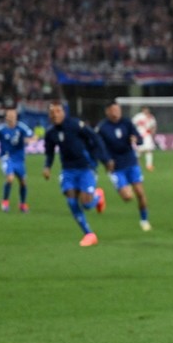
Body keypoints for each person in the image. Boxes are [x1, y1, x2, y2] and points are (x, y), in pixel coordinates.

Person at [43, 101, 112, 246]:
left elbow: (95, 138)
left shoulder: (75, 125)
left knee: (86, 203)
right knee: (71, 198)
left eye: (57, 111)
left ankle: (98, 196)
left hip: (85, 167)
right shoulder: (51, 133)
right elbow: (49, 152)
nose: (54, 115)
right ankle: (89, 233)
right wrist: (47, 167)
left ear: (63, 112)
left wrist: (105, 159)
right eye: (52, 112)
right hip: (68, 170)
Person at [96, 102, 152, 231]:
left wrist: (136, 139)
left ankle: (144, 221)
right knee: (127, 197)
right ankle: (99, 197)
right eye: (113, 110)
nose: (116, 113)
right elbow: (98, 149)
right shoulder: (102, 128)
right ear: (107, 112)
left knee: (140, 193)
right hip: (115, 167)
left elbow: (139, 139)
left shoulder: (127, 123)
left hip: (131, 162)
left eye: (118, 110)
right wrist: (106, 161)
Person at [0, 108, 35, 212]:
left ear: (16, 116)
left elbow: (32, 136)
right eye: (9, 115)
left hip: (19, 159)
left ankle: (22, 204)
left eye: (13, 115)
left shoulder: (21, 127)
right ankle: (5, 201)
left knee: (23, 182)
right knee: (10, 178)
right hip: (6, 158)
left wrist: (30, 140)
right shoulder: (1, 129)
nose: (11, 117)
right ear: (6, 117)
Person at [131, 106, 157, 171]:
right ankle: (136, 164)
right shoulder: (138, 116)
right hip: (140, 135)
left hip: (147, 135)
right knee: (139, 151)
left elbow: (153, 126)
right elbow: (131, 124)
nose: (146, 111)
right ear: (142, 110)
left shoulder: (151, 117)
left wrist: (153, 133)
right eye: (145, 109)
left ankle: (149, 165)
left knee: (149, 149)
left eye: (147, 109)